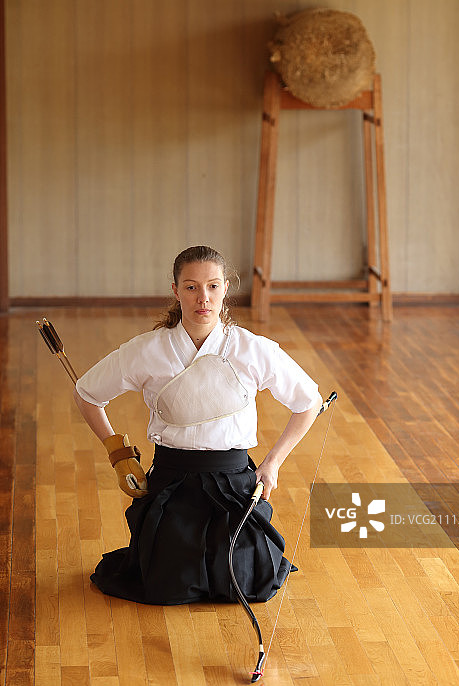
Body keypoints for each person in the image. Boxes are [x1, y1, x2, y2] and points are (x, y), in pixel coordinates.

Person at [73, 245, 322, 606]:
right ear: (175, 291)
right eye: (191, 287)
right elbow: (87, 394)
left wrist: (273, 463)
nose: (202, 298)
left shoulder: (251, 348)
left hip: (235, 484)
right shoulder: (147, 349)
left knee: (244, 583)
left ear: (225, 289)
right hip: (173, 484)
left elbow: (308, 402)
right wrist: (117, 452)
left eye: (213, 286)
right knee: (169, 586)